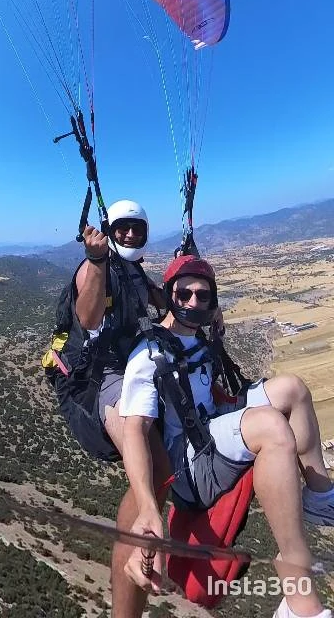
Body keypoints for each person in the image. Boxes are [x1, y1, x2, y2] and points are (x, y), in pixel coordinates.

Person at [119, 254, 334, 618]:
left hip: (211, 425)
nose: (193, 302)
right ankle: (298, 598)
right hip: (190, 464)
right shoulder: (150, 355)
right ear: (169, 295)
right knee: (271, 427)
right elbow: (134, 430)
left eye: (204, 296)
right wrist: (147, 507)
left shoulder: (196, 337)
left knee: (293, 389)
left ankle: (319, 497)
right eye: (184, 294)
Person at [43, 200, 224, 617]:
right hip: (98, 379)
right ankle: (140, 539)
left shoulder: (136, 276)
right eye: (121, 229)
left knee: (165, 457)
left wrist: (200, 305)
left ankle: (146, 524)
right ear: (110, 231)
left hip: (129, 369)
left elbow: (166, 304)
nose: (128, 236)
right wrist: (95, 258)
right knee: (153, 459)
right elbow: (87, 319)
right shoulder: (96, 269)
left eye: (135, 230)